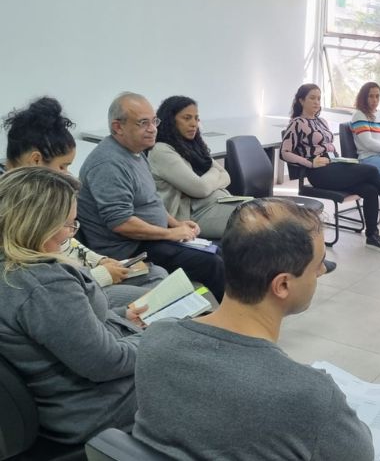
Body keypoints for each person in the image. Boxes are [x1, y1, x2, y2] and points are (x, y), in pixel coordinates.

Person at [133, 198, 380, 460]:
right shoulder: (312, 395)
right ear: (283, 285)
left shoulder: (156, 340)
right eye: (318, 264)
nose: (322, 271)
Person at [0, 167, 143, 444]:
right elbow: (106, 363)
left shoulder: (14, 270)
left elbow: (58, 331)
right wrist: (161, 339)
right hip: (98, 411)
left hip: (65, 404)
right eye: (68, 225)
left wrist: (121, 317)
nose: (70, 234)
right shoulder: (43, 284)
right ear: (38, 225)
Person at [2, 96, 167, 314]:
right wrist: (100, 274)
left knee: (157, 276)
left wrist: (102, 261)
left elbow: (66, 243)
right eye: (63, 166)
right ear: (35, 161)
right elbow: (38, 278)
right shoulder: (16, 205)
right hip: (62, 291)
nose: (69, 175)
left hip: (77, 276)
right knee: (156, 299)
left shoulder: (37, 194)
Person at [77, 92, 225, 300]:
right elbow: (121, 222)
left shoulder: (136, 152)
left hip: (151, 238)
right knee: (210, 263)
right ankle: (224, 325)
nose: (153, 128)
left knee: (216, 251)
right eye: (143, 123)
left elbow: (151, 201)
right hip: (128, 250)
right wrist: (170, 234)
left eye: (154, 121)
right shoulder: (108, 164)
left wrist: (176, 224)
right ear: (118, 127)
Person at [280, 83, 380, 254]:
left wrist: (340, 159)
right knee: (371, 170)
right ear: (301, 100)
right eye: (312, 98)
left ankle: (372, 236)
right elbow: (285, 152)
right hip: (319, 173)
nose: (317, 102)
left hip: (335, 166)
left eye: (319, 98)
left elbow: (329, 146)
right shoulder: (297, 123)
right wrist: (310, 163)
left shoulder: (322, 121)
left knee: (370, 189)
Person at [148, 95, 236, 239]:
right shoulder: (162, 150)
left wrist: (207, 184)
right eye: (187, 118)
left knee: (263, 210)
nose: (194, 124)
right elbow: (199, 189)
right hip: (191, 217)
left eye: (196, 118)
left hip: (218, 203)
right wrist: (214, 172)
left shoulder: (194, 145)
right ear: (171, 120)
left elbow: (226, 176)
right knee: (253, 222)